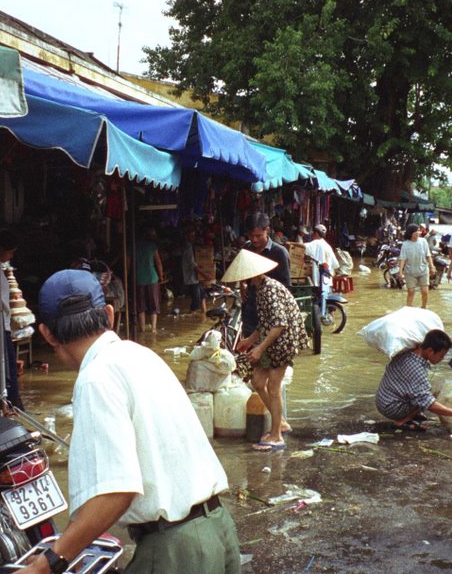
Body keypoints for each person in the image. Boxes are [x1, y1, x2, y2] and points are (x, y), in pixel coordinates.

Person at [24, 270, 241, 574]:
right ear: (109, 315)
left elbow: (115, 493)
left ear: (46, 333)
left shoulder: (95, 378)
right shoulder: (140, 355)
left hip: (177, 551)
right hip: (217, 529)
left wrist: (46, 564)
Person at [224, 249, 308, 451]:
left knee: (273, 387)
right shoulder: (260, 288)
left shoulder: (269, 289)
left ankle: (277, 435)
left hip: (284, 341)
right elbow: (265, 323)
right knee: (258, 381)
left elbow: (279, 325)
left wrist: (260, 348)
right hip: (273, 339)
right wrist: (248, 341)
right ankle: (282, 422)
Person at [376, 329, 452, 431]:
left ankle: (409, 417)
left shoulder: (407, 352)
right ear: (430, 351)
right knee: (429, 393)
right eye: (441, 356)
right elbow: (428, 403)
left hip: (384, 398)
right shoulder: (416, 369)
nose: (442, 359)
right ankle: (402, 421)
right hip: (392, 408)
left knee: (425, 389)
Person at [238, 212, 290, 342]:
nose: (254, 240)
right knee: (249, 343)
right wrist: (242, 283)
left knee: (269, 346)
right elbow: (241, 271)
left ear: (267, 230)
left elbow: (286, 286)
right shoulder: (246, 248)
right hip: (250, 305)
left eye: (258, 236)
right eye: (251, 235)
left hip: (272, 307)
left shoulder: (279, 253)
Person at [0, 230, 23, 410]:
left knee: (10, 369)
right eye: (10, 252)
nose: (11, 256)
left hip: (4, 325)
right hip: (0, 326)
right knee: (7, 372)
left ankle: (12, 405)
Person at [134, 227, 164, 333]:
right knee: (153, 305)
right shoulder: (152, 246)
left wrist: (129, 276)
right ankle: (153, 329)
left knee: (140, 306)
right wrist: (161, 276)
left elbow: (127, 264)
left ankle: (142, 329)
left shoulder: (133, 246)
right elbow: (158, 262)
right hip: (152, 278)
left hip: (138, 279)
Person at [398, 224, 433, 308]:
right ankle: (409, 308)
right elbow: (402, 259)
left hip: (423, 270)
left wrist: (432, 267)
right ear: (411, 233)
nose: (418, 232)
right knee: (411, 291)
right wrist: (400, 271)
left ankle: (424, 307)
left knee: (425, 291)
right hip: (410, 271)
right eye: (416, 231)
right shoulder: (405, 244)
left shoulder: (423, 241)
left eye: (419, 231)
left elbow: (428, 255)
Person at [180, 226, 207, 316]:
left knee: (202, 295)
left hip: (195, 276)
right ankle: (191, 314)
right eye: (191, 236)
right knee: (196, 299)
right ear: (187, 237)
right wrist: (204, 274)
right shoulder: (187, 248)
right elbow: (193, 265)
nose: (193, 238)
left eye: (194, 236)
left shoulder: (190, 247)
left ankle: (204, 314)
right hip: (192, 277)